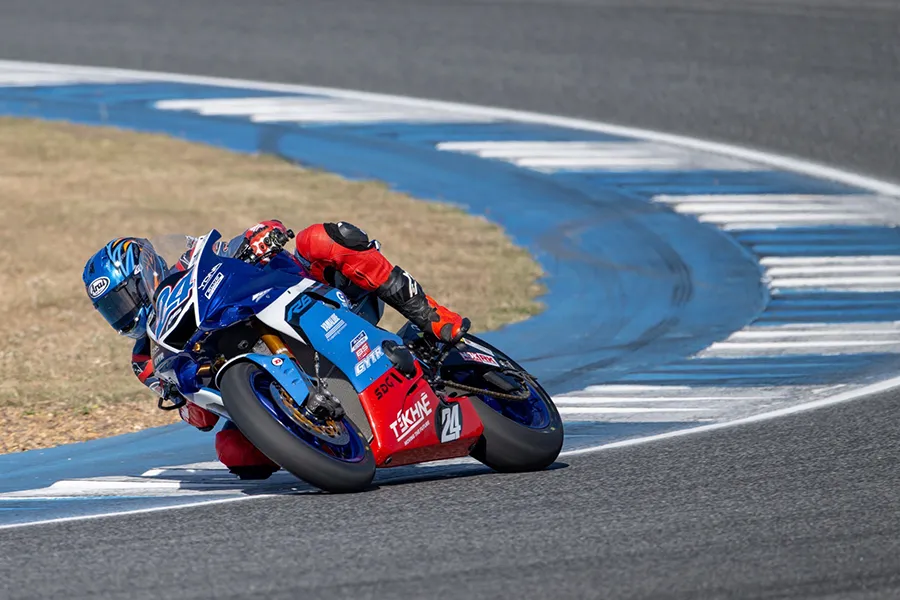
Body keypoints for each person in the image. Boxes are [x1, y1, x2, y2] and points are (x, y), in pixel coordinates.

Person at [82, 220, 467, 479]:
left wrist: (261, 237)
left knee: (322, 238)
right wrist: (185, 396)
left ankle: (433, 317)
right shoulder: (147, 358)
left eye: (124, 299)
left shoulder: (190, 266)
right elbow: (203, 418)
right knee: (235, 452)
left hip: (307, 298)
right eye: (112, 310)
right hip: (263, 380)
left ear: (147, 272)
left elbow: (257, 236)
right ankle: (326, 441)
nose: (124, 314)